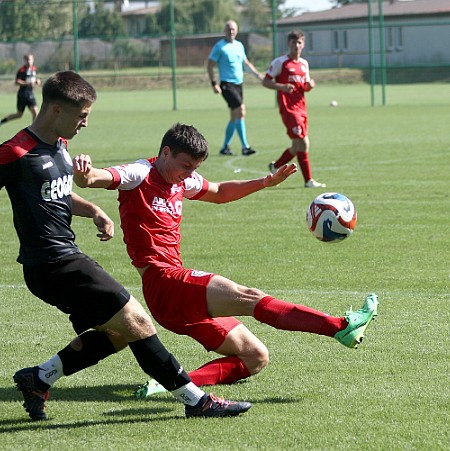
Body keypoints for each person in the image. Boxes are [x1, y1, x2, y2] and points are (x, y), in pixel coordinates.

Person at [0, 71, 252, 421]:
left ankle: (39, 377)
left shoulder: (59, 144)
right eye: (82, 115)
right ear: (57, 110)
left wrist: (94, 210)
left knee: (119, 332)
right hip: (50, 262)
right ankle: (197, 401)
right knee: (137, 319)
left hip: (65, 256)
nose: (85, 123)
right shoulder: (14, 152)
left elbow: (54, 193)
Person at [73, 122, 379, 394]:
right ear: (165, 153)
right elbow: (96, 178)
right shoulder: (140, 174)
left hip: (174, 298)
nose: (190, 174)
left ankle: (170, 382)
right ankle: (339, 326)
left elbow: (218, 191)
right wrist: (85, 174)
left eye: (194, 168)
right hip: (163, 281)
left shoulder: (181, 180)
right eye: (186, 165)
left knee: (256, 356)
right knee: (249, 297)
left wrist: (264, 182)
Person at [262, 30, 326, 188]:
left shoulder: (304, 64)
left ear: (303, 44)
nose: (296, 46)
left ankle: (276, 166)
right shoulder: (280, 62)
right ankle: (308, 181)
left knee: (297, 146)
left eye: (299, 43)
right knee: (303, 143)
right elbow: (266, 81)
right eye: (293, 43)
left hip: (302, 107)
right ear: (288, 44)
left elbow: (304, 86)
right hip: (288, 108)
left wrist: (310, 86)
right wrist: (281, 86)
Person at [207, 20, 262, 156]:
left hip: (238, 84)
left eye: (233, 29)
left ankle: (225, 147)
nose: (231, 32)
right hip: (226, 85)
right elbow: (209, 65)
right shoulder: (220, 47)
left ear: (237, 31)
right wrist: (214, 83)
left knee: (234, 117)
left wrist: (258, 75)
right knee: (241, 110)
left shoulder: (239, 45)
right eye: (228, 29)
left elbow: (246, 62)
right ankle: (245, 147)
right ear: (224, 31)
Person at [0, 54, 41, 128]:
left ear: (33, 60)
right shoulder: (22, 70)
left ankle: (34, 129)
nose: (29, 61)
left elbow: (35, 79)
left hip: (30, 94)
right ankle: (2, 121)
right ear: (25, 60)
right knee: (19, 115)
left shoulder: (34, 69)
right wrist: (27, 83)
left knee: (35, 111)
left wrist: (38, 81)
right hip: (22, 94)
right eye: (27, 60)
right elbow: (17, 82)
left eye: (30, 59)